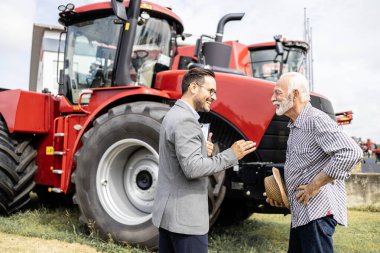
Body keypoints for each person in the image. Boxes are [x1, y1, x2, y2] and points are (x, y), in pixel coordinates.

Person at [152, 68, 256, 253]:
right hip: (185, 220)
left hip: (169, 216)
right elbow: (192, 168)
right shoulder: (186, 121)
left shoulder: (174, 114)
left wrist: (201, 150)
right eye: (211, 91)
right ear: (193, 87)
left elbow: (179, 158)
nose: (214, 97)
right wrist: (232, 154)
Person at [267, 72, 362, 253]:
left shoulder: (315, 120)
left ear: (294, 94)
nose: (273, 99)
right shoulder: (295, 125)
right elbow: (305, 166)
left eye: (277, 93)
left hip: (316, 215)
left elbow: (351, 152)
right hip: (303, 214)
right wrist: (282, 191)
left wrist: (314, 186)